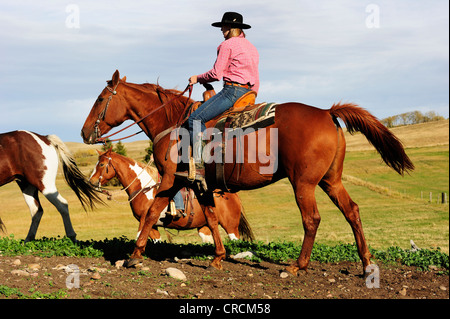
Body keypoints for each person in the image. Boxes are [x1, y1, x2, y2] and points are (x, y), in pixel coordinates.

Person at [175, 12, 260, 185]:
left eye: (224, 26)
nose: (221, 29)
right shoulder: (252, 47)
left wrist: (197, 78)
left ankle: (198, 166)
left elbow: (216, 73)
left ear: (230, 28)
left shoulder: (226, 45)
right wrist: (252, 96)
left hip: (232, 91)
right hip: (249, 93)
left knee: (195, 118)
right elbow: (256, 78)